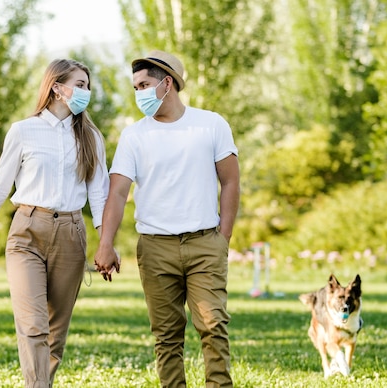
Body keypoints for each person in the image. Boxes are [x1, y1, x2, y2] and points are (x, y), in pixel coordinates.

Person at [0, 58, 109, 388]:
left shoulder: (91, 138)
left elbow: (99, 195)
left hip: (71, 235)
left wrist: (106, 243)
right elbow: (0, 185)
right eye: (79, 85)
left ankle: (40, 382)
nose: (85, 92)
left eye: (87, 86)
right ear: (57, 87)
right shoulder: (24, 130)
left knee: (55, 334)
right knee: (33, 325)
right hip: (27, 231)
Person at [94, 50, 240, 388]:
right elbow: (117, 193)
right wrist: (105, 244)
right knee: (167, 335)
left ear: (167, 83)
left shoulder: (210, 123)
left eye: (144, 84)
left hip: (205, 242)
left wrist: (224, 236)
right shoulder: (134, 136)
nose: (139, 93)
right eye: (135, 87)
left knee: (213, 324)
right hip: (155, 247)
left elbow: (231, 181)